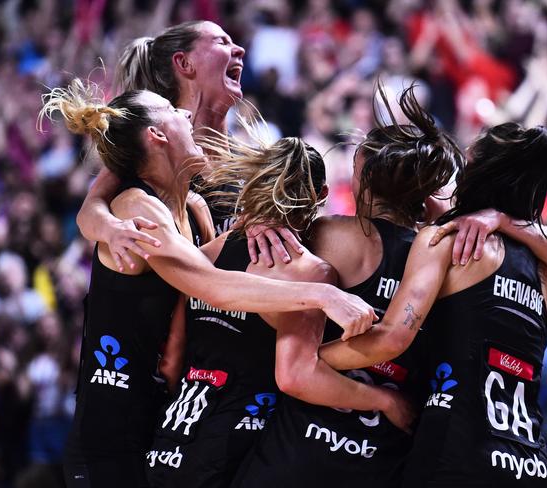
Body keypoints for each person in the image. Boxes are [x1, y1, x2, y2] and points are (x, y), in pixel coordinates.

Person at [38, 80, 377, 488]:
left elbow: (205, 285)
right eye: (172, 110)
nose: (185, 114)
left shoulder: (193, 209)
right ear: (157, 135)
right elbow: (209, 284)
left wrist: (260, 218)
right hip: (109, 432)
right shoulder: (135, 205)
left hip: (163, 419)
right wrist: (324, 294)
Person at [319, 122, 547, 487]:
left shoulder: (449, 240)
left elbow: (392, 338)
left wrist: (315, 359)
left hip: (458, 450)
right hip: (529, 462)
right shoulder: (543, 270)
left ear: (479, 168)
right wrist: (505, 219)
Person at [145, 125, 413, 488]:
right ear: (320, 196)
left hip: (172, 433)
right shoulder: (310, 270)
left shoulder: (208, 254)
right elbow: (296, 376)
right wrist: (383, 400)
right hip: (234, 441)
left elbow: (171, 358)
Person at [231, 86, 462, 488]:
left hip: (297, 452)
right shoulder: (445, 257)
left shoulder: (330, 234)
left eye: (355, 168)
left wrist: (259, 216)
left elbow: (246, 269)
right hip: (381, 460)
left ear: (366, 179)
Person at [77, 20, 301, 269]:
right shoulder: (157, 147)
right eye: (222, 42)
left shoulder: (250, 158)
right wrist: (113, 229)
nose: (240, 50)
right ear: (184, 63)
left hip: (229, 297)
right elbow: (89, 209)